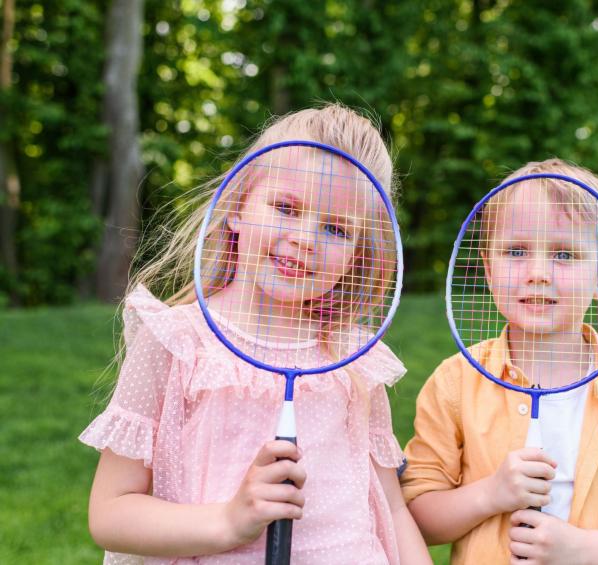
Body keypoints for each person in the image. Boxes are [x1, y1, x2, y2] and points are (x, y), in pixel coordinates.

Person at [80, 103, 430, 565]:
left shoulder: (354, 359)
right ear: (238, 207)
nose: (305, 239)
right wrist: (229, 521)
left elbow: (392, 508)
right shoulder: (177, 342)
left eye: (336, 228)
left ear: (356, 255)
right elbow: (111, 513)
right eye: (286, 208)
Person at [401, 158, 598, 564]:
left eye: (564, 254)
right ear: (489, 270)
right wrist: (490, 494)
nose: (538, 273)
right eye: (516, 251)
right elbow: (415, 516)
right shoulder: (454, 382)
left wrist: (582, 551)